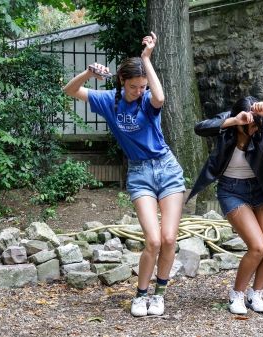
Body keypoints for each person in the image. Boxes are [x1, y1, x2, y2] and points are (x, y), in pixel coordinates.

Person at [63, 32, 185, 317]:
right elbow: (70, 91)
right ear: (121, 82)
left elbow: (160, 96)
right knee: (153, 241)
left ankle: (160, 294)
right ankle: (140, 295)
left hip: (167, 168)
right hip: (140, 172)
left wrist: (146, 59)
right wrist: (88, 73)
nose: (138, 92)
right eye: (133, 87)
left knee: (169, 239)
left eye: (142, 86)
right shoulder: (109, 101)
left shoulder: (147, 101)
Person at [187, 96, 263, 314]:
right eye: (251, 125)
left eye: (258, 124)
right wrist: (234, 120)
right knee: (258, 247)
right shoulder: (230, 121)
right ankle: (236, 294)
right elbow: (200, 128)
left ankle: (255, 294)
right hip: (231, 190)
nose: (256, 128)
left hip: (260, 189)